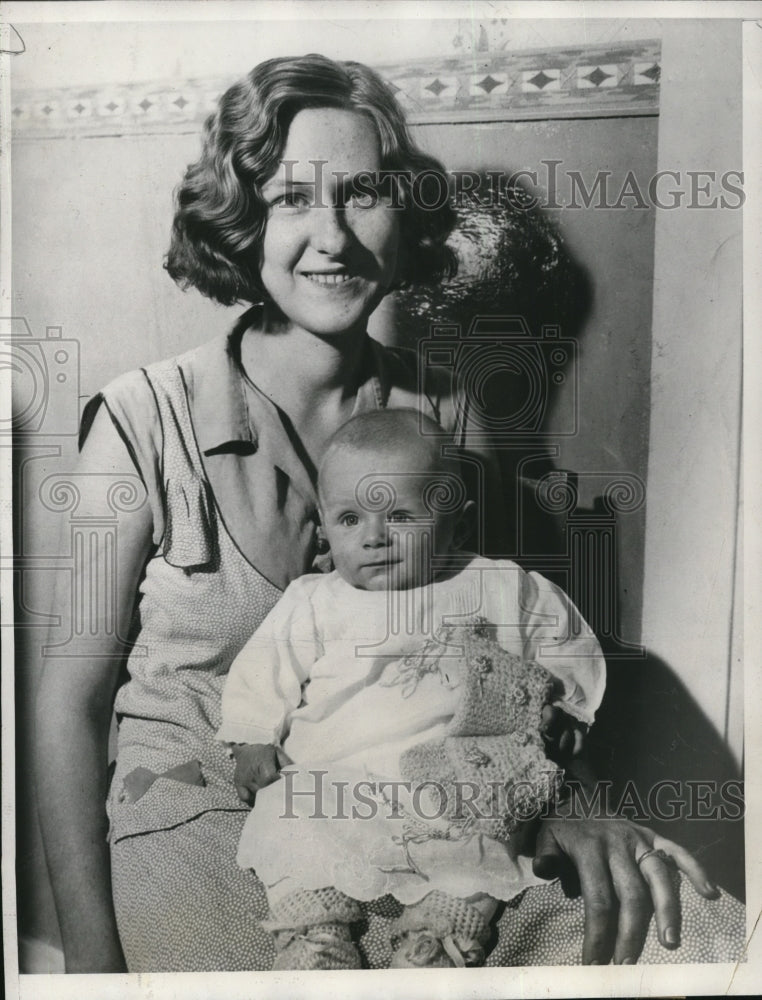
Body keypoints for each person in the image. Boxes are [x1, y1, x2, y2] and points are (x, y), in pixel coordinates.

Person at [34, 53, 734, 974]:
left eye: (362, 192)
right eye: (290, 197)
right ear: (242, 221)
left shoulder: (443, 418)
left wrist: (572, 799)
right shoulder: (134, 419)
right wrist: (90, 969)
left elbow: (497, 665)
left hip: (428, 820)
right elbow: (65, 704)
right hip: (199, 817)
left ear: (403, 216)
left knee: (686, 932)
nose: (331, 236)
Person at [219, 407, 609, 969]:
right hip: (335, 776)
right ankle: (313, 932)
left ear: (458, 524)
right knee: (288, 815)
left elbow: (566, 642)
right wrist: (253, 737)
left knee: (489, 833)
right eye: (350, 519)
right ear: (323, 528)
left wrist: (563, 708)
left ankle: (438, 936)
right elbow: (264, 668)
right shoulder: (314, 599)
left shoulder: (501, 585)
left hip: (460, 778)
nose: (373, 537)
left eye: (399, 516)